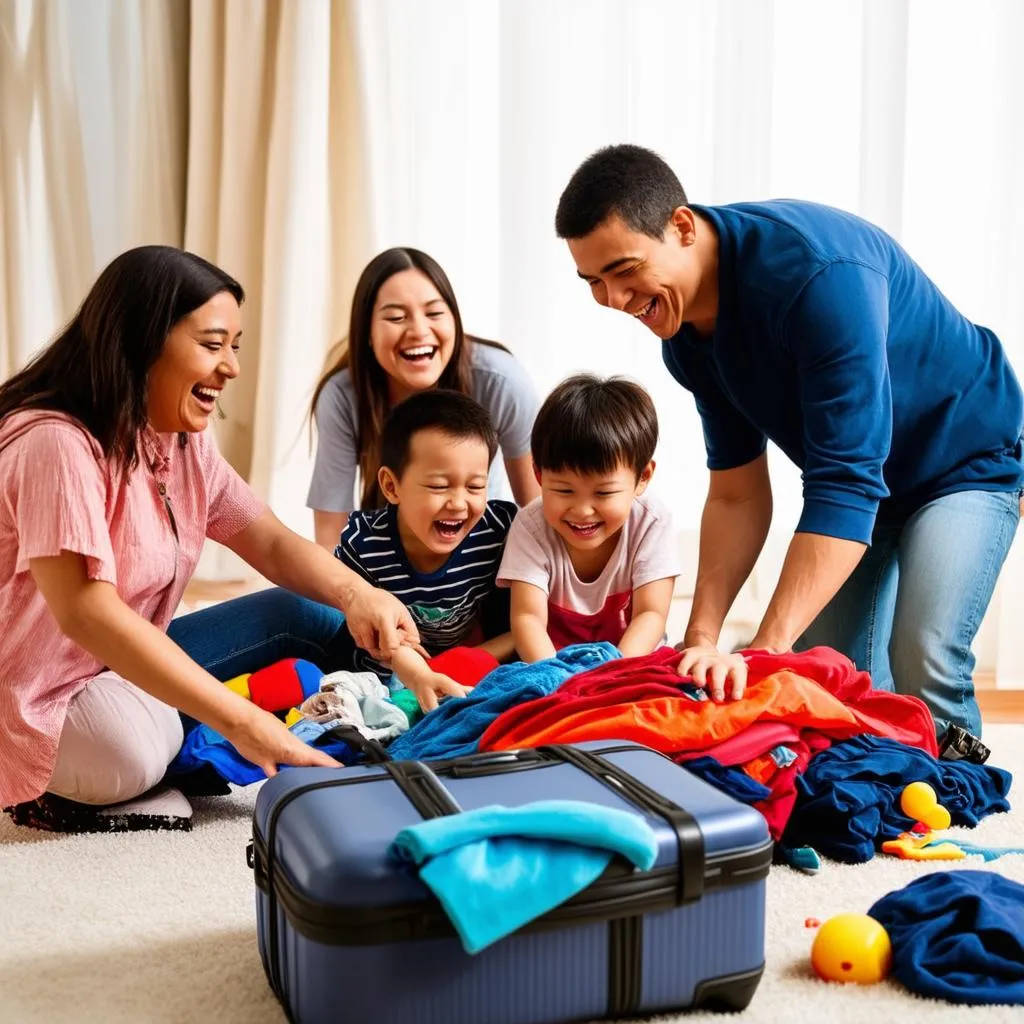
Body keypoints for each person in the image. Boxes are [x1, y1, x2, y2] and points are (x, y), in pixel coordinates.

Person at [555, 143, 1023, 749]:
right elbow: (735, 495)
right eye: (593, 281)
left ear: (682, 226)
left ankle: (960, 805)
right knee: (828, 672)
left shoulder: (819, 280)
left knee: (922, 654)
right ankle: (880, 789)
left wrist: (766, 648)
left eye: (624, 270)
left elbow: (846, 484)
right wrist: (701, 637)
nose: (614, 300)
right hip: (868, 484)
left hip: (964, 458)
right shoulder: (687, 339)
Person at [0, 246, 419, 833]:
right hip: (43, 694)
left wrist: (360, 596)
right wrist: (243, 722)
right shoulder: (54, 443)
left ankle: (389, 718)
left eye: (236, 346)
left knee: (304, 613)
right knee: (133, 752)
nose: (232, 367)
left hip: (121, 663)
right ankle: (104, 771)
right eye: (213, 344)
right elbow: (87, 613)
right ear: (143, 341)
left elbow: (268, 541)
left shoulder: (179, 440)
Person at [307, 247, 540, 550]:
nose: (418, 330)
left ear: (454, 320)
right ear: (367, 331)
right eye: (396, 317)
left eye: (434, 313)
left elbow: (538, 511)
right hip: (388, 560)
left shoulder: (502, 381)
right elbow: (331, 536)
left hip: (478, 558)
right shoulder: (341, 396)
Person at [333, 389, 517, 711]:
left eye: (475, 486)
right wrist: (418, 674)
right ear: (391, 487)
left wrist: (464, 661)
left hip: (463, 665)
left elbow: (525, 622)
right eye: (439, 486)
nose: (459, 503)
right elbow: (369, 635)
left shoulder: (498, 530)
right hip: (378, 674)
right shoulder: (363, 544)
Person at [497, 373, 680, 661]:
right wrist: (555, 678)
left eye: (604, 493)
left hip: (632, 661)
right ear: (539, 475)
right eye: (564, 490)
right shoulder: (531, 526)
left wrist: (612, 675)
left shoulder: (651, 522)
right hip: (555, 663)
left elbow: (650, 614)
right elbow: (527, 619)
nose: (582, 510)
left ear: (642, 477)